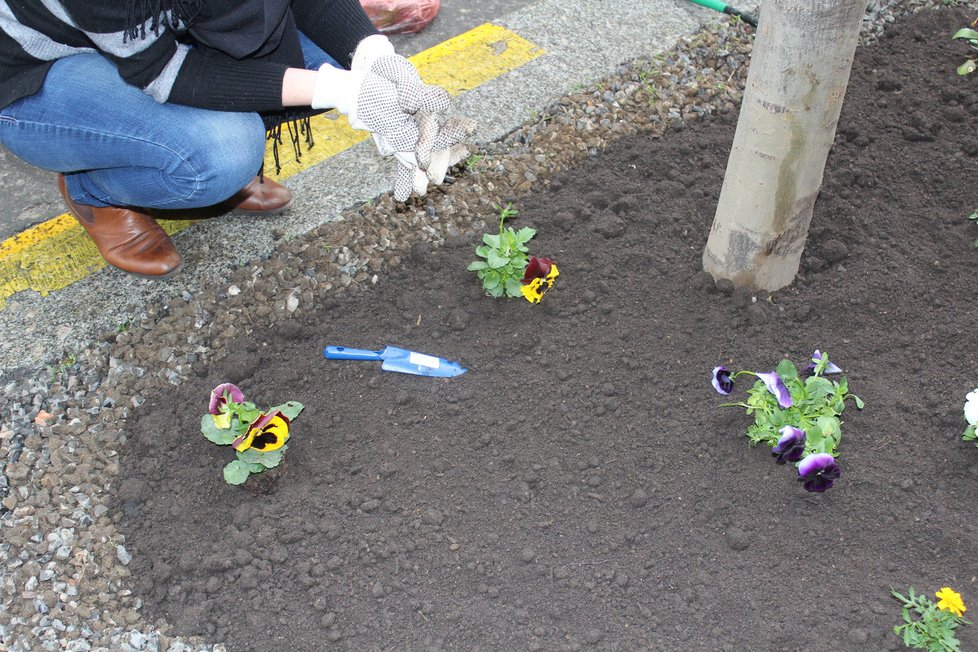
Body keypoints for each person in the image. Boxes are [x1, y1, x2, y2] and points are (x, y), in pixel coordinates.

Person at [0, 0, 473, 278]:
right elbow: (165, 71)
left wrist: (374, 55)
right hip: (39, 70)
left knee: (338, 57)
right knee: (220, 153)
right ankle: (95, 188)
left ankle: (171, 145)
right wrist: (341, 91)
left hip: (161, 29)